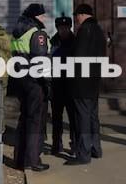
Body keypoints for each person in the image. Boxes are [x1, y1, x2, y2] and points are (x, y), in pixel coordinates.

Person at [11, 3, 51, 172]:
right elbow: (40, 60)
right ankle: (33, 160)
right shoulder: (37, 33)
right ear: (35, 16)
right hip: (35, 82)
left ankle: (20, 159)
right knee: (35, 121)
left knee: (24, 119)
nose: (45, 18)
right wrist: (47, 82)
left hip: (21, 80)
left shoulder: (17, 33)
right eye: (42, 15)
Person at [67, 4, 106, 165]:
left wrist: (72, 78)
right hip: (94, 80)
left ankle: (83, 154)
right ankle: (96, 149)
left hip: (82, 82)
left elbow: (78, 56)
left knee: (82, 117)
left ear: (82, 15)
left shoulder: (84, 31)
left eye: (77, 15)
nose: (76, 19)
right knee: (92, 116)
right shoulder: (99, 30)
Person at [50, 15, 77, 156]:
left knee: (73, 118)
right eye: (61, 28)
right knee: (56, 118)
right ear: (57, 28)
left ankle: (74, 145)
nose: (64, 30)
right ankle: (56, 145)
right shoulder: (52, 42)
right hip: (57, 84)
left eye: (66, 28)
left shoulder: (75, 41)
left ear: (70, 27)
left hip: (71, 84)